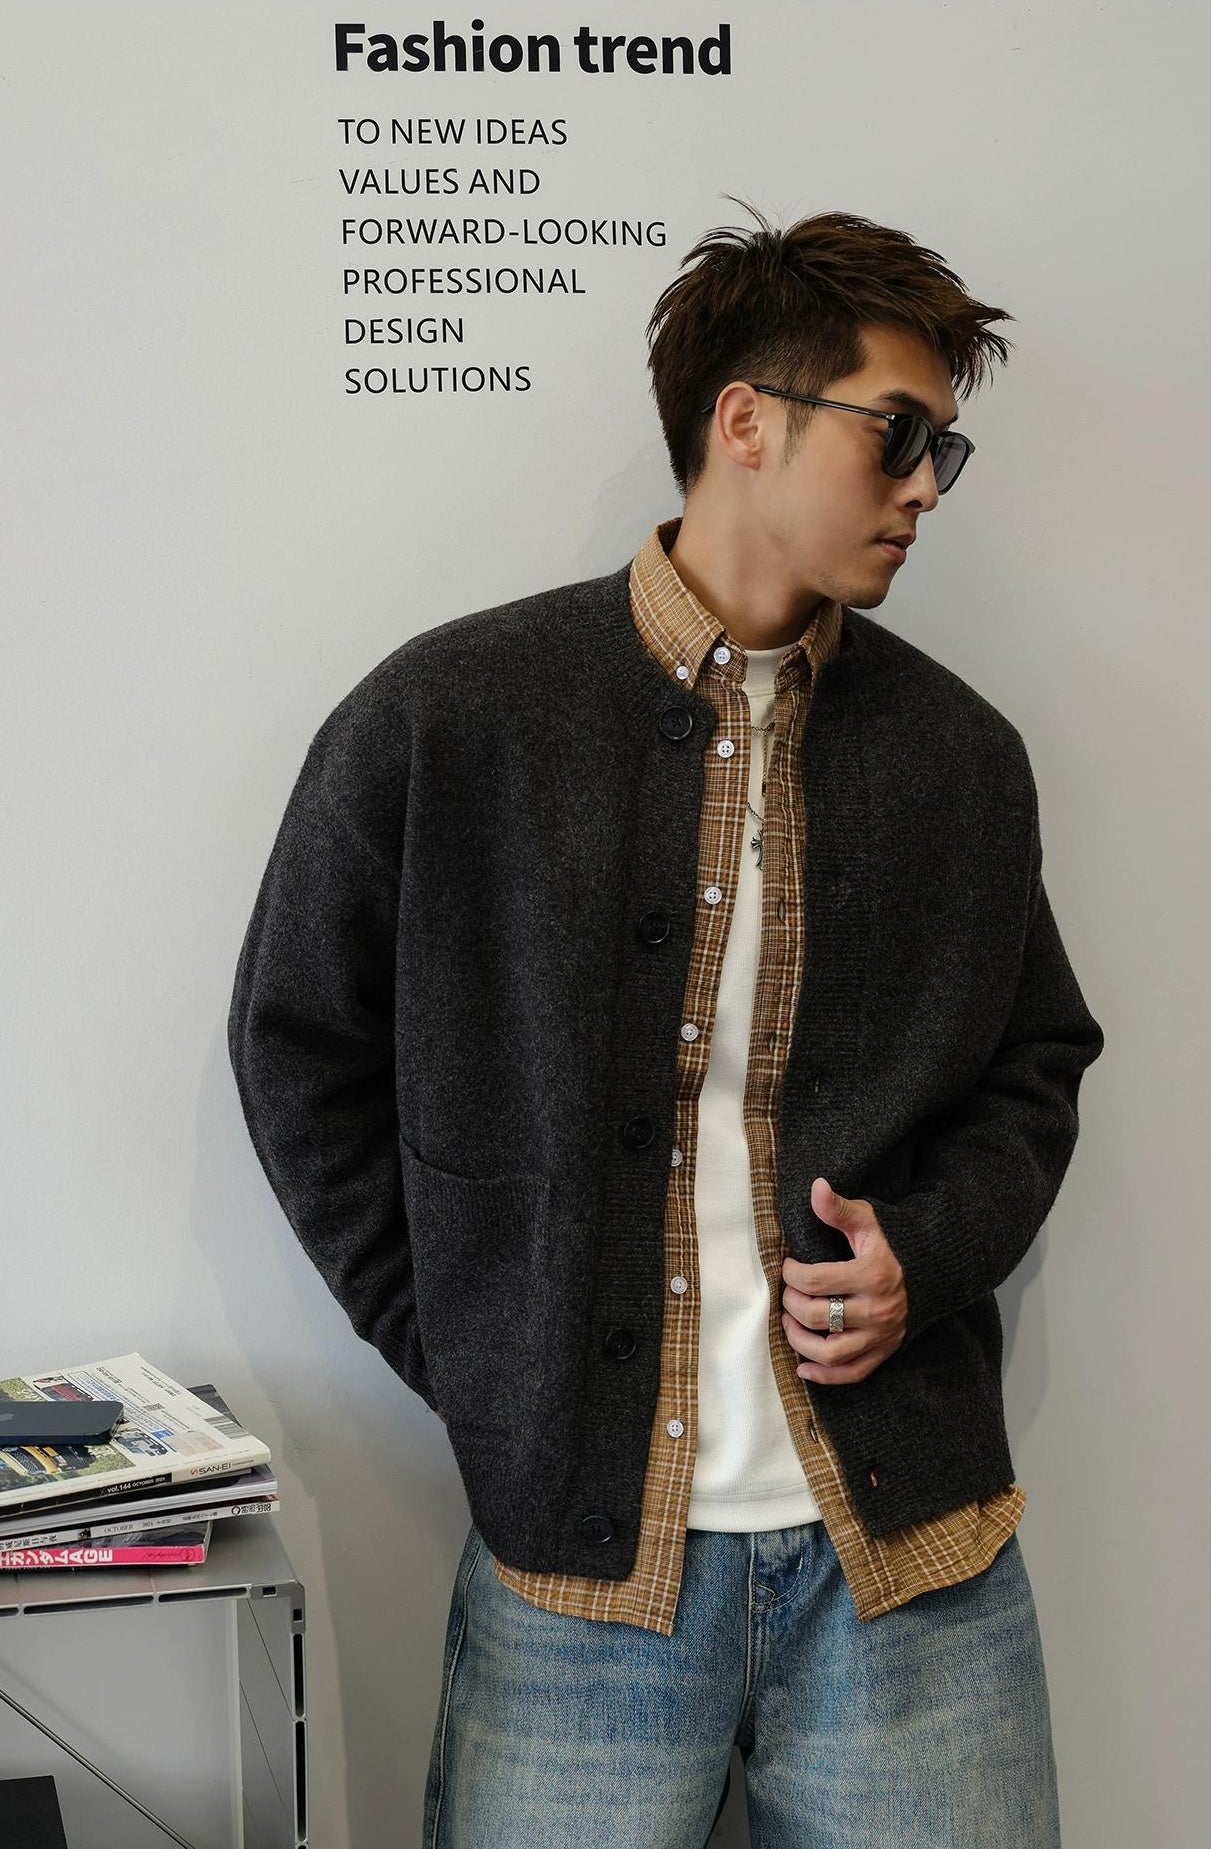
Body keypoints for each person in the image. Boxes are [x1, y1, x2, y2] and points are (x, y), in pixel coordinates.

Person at [228, 206, 1105, 1847]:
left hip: (915, 1565)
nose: (927, 485)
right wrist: (486, 1353)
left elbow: (1033, 1063)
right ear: (746, 420)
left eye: (944, 449)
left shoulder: (959, 753)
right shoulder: (454, 714)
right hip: (579, 1576)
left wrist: (928, 1251)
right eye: (896, 432)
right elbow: (298, 1045)